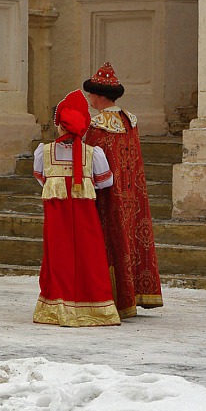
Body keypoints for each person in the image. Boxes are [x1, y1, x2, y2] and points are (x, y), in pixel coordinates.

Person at [32, 90, 121, 327]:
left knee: (57, 259)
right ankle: (95, 307)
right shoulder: (94, 154)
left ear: (59, 124)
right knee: (90, 258)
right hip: (86, 219)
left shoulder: (45, 152)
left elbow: (41, 178)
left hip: (56, 220)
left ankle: (57, 307)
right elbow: (106, 182)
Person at [83, 62, 163, 318]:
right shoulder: (129, 120)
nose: (89, 99)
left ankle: (114, 298)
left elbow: (91, 161)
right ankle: (134, 294)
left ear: (98, 95)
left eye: (91, 95)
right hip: (132, 193)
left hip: (107, 195)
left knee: (109, 242)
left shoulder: (98, 126)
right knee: (130, 239)